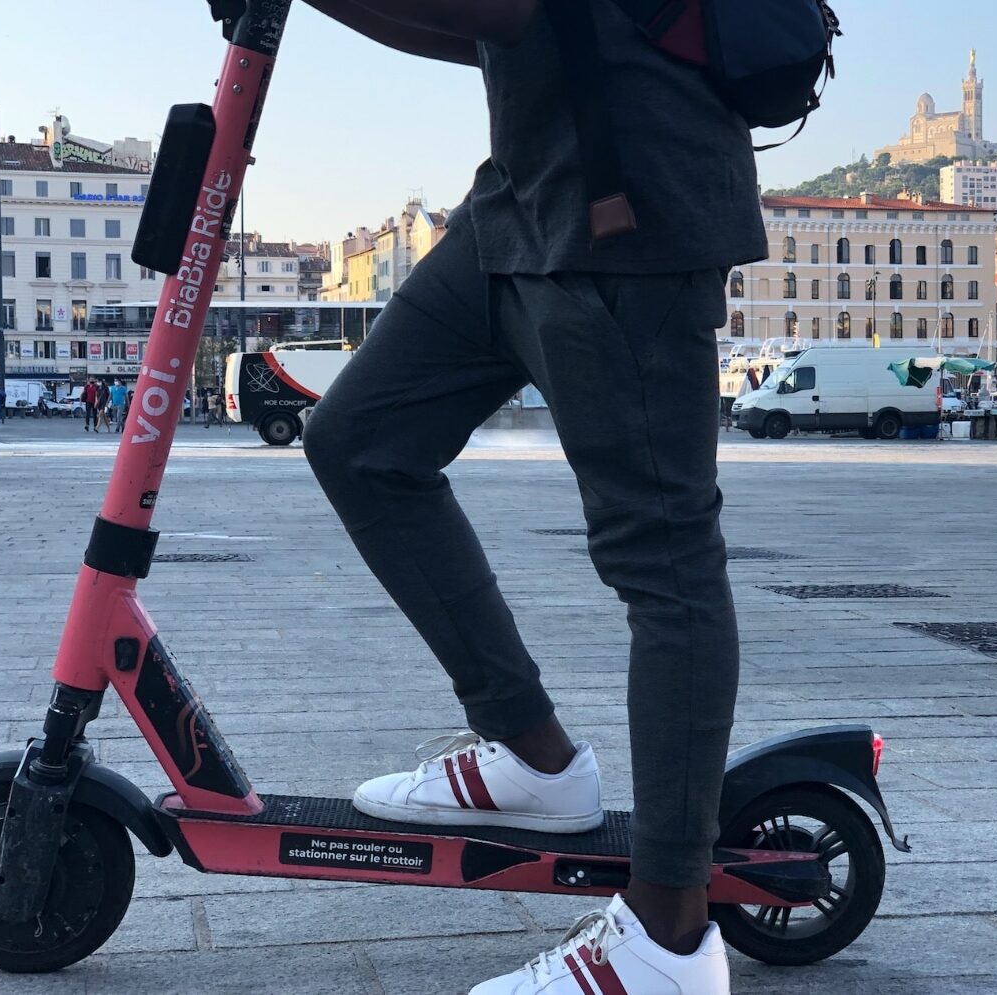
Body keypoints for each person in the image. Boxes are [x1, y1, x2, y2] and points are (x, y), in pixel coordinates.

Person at [299, 3, 759, 992]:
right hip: (523, 198)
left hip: (632, 207)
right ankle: (533, 756)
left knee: (664, 557)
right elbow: (489, 26)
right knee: (360, 442)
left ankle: (668, 937)